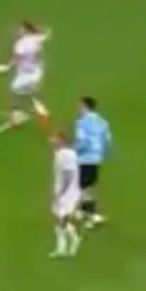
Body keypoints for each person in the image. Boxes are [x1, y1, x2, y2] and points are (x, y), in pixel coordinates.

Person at [0, 21, 51, 129]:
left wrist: (6, 68)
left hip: (25, 75)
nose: (17, 31)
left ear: (25, 30)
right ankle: (42, 112)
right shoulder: (37, 38)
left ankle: (15, 118)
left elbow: (16, 59)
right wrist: (37, 29)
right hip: (37, 73)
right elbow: (47, 32)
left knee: (12, 92)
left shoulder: (20, 44)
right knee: (30, 94)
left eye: (20, 29)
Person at [74, 96, 113, 228]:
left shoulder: (81, 123)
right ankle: (82, 212)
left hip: (85, 158)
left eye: (80, 106)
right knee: (89, 186)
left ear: (86, 107)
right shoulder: (103, 122)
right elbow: (108, 140)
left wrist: (74, 151)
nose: (78, 109)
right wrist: (103, 154)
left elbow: (82, 142)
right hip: (96, 159)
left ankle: (91, 216)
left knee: (84, 189)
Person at [50, 131, 83, 258]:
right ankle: (63, 247)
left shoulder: (67, 155)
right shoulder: (61, 153)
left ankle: (71, 241)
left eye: (56, 138)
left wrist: (61, 192)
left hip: (68, 191)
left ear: (62, 141)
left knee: (61, 218)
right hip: (65, 189)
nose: (53, 140)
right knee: (59, 218)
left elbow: (68, 174)